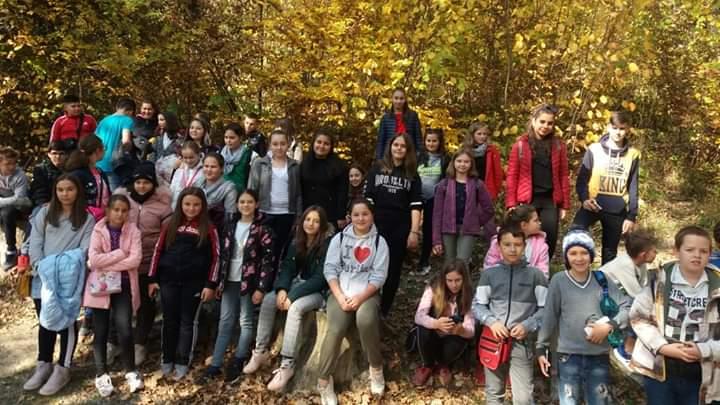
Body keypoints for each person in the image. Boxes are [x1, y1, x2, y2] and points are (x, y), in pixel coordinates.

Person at [244, 206, 333, 392]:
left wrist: (292, 296)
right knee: (269, 300)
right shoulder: (297, 241)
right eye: (308, 219)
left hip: (318, 292)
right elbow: (287, 268)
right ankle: (260, 350)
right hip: (295, 285)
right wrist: (283, 289)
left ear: (322, 225)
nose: (311, 224)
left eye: (316, 221)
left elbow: (320, 279)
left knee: (295, 308)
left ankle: (287, 365)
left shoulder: (327, 245)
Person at [536, 229, 630, 405]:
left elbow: (627, 307)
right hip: (568, 356)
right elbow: (549, 316)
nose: (579, 258)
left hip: (598, 355)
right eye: (573, 253)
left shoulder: (602, 279)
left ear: (591, 255)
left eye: (584, 253)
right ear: (566, 256)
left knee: (599, 401)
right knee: (568, 400)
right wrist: (541, 348)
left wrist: (609, 325)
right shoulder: (559, 281)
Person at [630, 226, 720, 405]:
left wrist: (704, 350)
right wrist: (662, 347)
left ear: (710, 254)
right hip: (661, 368)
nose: (697, 255)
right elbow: (639, 317)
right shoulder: (658, 280)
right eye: (689, 250)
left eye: (703, 251)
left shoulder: (717, 285)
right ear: (676, 251)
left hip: (703, 370)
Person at [23, 174, 94, 396]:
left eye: (70, 189)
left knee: (66, 323)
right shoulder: (44, 213)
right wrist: (40, 266)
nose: (65, 194)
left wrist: (62, 268)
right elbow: (35, 242)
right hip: (43, 277)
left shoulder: (86, 219)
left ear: (78, 191)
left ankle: (63, 368)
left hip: (67, 281)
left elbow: (84, 249)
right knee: (45, 321)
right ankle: (43, 363)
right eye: (60, 189)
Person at [316, 199, 390, 404]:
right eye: (356, 214)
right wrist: (340, 297)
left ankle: (376, 368)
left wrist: (360, 298)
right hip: (340, 293)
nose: (361, 218)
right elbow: (330, 269)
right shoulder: (339, 239)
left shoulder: (379, 242)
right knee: (336, 328)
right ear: (350, 217)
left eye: (365, 214)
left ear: (372, 216)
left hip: (367, 294)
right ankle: (323, 381)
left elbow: (379, 276)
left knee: (365, 320)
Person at [199, 189, 274, 383]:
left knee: (245, 320)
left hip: (249, 281)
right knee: (225, 321)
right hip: (229, 279)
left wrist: (261, 287)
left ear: (256, 204)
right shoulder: (230, 225)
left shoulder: (262, 229)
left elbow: (268, 261)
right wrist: (217, 281)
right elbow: (222, 255)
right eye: (242, 202)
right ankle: (215, 364)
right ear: (237, 204)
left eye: (250, 202)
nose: (246, 205)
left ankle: (239, 359)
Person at [147, 187, 220, 381]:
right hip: (168, 281)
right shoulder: (170, 224)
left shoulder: (208, 228)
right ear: (180, 204)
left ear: (203, 206)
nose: (191, 208)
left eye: (196, 205)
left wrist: (210, 284)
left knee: (188, 322)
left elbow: (216, 257)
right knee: (169, 321)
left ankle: (182, 361)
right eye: (187, 204)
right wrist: (152, 279)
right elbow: (158, 251)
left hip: (194, 284)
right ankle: (167, 359)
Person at [473, 226, 547, 404]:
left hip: (522, 342)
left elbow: (546, 309)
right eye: (507, 244)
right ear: (499, 246)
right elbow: (477, 305)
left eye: (517, 244)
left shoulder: (536, 275)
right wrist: (491, 321)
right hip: (493, 340)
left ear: (525, 246)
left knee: (523, 397)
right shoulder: (489, 275)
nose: (512, 249)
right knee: (493, 392)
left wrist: (528, 325)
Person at [83, 195, 144, 397]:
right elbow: (93, 259)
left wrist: (106, 262)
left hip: (124, 286)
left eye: (124, 210)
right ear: (108, 211)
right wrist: (119, 254)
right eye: (116, 210)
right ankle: (101, 374)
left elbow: (135, 260)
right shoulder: (98, 229)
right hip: (100, 287)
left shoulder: (133, 230)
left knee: (125, 329)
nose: (120, 214)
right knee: (100, 330)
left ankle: (131, 371)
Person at [114, 162, 173, 366]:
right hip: (123, 261)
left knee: (145, 304)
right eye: (138, 182)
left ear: (153, 184)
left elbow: (167, 237)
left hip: (149, 262)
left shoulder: (163, 206)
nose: (141, 186)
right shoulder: (123, 202)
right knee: (120, 302)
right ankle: (115, 341)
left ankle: (140, 343)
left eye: (146, 182)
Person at [365, 133, 422, 317]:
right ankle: (366, 305)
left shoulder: (412, 174)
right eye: (396, 144)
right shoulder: (377, 168)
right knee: (370, 265)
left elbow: (416, 205)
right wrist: (366, 224)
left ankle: (383, 311)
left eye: (403, 146)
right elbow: (368, 199)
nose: (399, 148)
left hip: (400, 227)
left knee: (393, 269)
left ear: (408, 150)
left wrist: (414, 231)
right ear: (390, 146)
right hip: (376, 224)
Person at [573, 111, 640, 264]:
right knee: (575, 234)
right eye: (615, 128)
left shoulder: (633, 154)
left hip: (617, 209)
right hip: (592, 205)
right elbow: (582, 180)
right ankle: (578, 273)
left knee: (609, 253)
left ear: (628, 129)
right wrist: (584, 199)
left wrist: (631, 216)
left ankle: (605, 279)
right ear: (608, 127)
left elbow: (633, 186)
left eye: (622, 128)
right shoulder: (594, 149)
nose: (618, 132)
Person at [505, 104, 570, 259]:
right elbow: (512, 175)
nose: (545, 126)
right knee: (523, 237)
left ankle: (543, 269)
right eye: (542, 122)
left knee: (549, 239)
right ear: (534, 121)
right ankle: (524, 267)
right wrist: (511, 203)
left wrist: (564, 205)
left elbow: (563, 175)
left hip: (550, 200)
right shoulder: (520, 145)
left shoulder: (558, 146)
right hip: (528, 200)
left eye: (550, 123)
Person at [598, 228, 657, 368]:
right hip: (602, 297)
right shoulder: (625, 265)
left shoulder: (640, 263)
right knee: (636, 310)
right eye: (654, 251)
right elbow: (638, 296)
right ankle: (625, 347)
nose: (656, 253)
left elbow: (644, 288)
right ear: (643, 254)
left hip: (616, 294)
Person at [412, 259, 475, 387]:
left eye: (458, 280)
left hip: (452, 337)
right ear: (443, 279)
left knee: (461, 335)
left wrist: (462, 330)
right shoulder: (433, 289)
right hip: (433, 333)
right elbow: (419, 316)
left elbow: (471, 329)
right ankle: (428, 364)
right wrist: (436, 323)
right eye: (449, 281)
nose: (454, 285)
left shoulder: (469, 294)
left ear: (464, 279)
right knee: (423, 328)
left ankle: (444, 364)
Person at [248, 129, 302, 272]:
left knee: (280, 251)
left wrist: (299, 216)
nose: (279, 147)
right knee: (261, 249)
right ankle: (259, 280)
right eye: (275, 144)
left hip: (287, 214)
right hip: (265, 213)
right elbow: (252, 189)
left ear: (288, 144)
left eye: (282, 144)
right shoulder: (260, 164)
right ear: (270, 145)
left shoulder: (295, 166)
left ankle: (275, 280)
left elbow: (298, 193)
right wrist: (250, 212)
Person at [431, 148, 494, 265]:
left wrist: (476, 221)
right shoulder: (444, 184)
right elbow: (437, 214)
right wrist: (436, 240)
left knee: (462, 263)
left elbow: (489, 209)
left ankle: (464, 278)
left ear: (471, 164)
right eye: (459, 161)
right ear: (453, 162)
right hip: (448, 229)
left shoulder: (477, 184)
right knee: (449, 263)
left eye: (466, 162)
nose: (462, 164)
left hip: (468, 230)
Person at [416, 128, 450, 275]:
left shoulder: (445, 159)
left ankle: (424, 260)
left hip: (434, 198)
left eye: (434, 141)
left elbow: (447, 179)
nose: (431, 143)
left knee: (428, 229)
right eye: (428, 140)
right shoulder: (418, 156)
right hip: (417, 197)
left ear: (439, 142)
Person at [300, 128, 349, 230]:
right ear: (313, 143)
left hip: (330, 214)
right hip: (308, 213)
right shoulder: (304, 163)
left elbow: (342, 192)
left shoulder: (339, 166)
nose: (321, 146)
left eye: (326, 144)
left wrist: (341, 216)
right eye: (319, 142)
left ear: (331, 146)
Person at [484, 204, 549, 277]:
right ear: (524, 225)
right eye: (536, 220)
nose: (540, 222)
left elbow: (543, 274)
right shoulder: (498, 242)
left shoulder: (541, 245)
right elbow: (489, 267)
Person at [65, 134, 111, 222]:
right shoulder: (77, 174)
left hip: (102, 219)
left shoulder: (100, 172)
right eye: (104, 148)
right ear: (97, 150)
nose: (105, 151)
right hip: (85, 219)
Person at [0, 146, 31, 270]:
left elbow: (19, 199)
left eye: (14, 163)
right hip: (4, 205)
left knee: (7, 213)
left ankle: (11, 250)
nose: (12, 167)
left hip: (20, 208)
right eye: (7, 164)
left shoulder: (20, 175)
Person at [96, 97, 136, 191]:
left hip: (99, 162)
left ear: (117, 107)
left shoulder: (104, 120)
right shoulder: (127, 120)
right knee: (116, 194)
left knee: (103, 193)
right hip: (115, 164)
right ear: (130, 111)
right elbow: (126, 141)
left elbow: (95, 139)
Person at [376, 87, 422, 160]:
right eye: (396, 98)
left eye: (401, 98)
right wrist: (379, 159)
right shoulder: (386, 118)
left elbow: (418, 138)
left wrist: (419, 155)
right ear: (392, 99)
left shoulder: (413, 116)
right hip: (390, 156)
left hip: (409, 155)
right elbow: (381, 141)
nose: (398, 101)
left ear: (405, 100)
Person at [464, 121, 503, 201]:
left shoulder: (491, 151)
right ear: (473, 135)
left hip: (486, 187)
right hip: (468, 187)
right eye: (479, 134)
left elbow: (497, 172)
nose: (482, 136)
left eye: (484, 134)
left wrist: (497, 189)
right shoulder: (465, 150)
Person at [200, 152, 238, 235]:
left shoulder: (229, 188)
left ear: (221, 169)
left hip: (217, 232)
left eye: (213, 167)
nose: (209, 170)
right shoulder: (197, 184)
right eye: (206, 166)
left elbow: (230, 217)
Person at [29, 141, 67, 210]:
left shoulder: (70, 170)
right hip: (44, 204)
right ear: (49, 154)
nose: (58, 157)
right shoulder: (40, 169)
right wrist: (43, 203)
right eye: (54, 153)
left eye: (61, 154)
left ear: (66, 155)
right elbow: (39, 190)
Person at [221, 123, 255, 192]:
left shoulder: (247, 153)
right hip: (223, 190)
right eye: (226, 137)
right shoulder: (222, 152)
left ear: (240, 138)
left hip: (240, 192)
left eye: (232, 138)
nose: (228, 140)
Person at [170, 141, 205, 208]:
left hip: (193, 207)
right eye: (185, 158)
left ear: (198, 155)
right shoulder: (180, 170)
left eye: (191, 157)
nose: (188, 160)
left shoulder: (204, 171)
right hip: (177, 207)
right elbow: (172, 189)